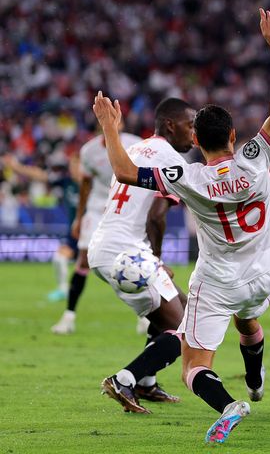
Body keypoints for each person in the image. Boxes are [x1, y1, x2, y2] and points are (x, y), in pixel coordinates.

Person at [92, 8, 270, 444]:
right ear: (234, 136)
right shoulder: (256, 160)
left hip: (217, 281)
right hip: (261, 275)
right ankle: (255, 381)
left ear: (196, 141)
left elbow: (125, 171)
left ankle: (230, 405)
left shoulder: (188, 177)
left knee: (193, 366)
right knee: (249, 324)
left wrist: (110, 127)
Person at [89, 97, 196, 413]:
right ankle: (125, 379)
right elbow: (156, 216)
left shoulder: (135, 149)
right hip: (128, 254)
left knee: (186, 308)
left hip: (107, 244)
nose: (194, 134)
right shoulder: (172, 161)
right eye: (190, 126)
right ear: (170, 125)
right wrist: (157, 258)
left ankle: (147, 382)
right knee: (185, 329)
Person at [50, 126, 143, 334]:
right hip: (96, 208)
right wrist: (79, 217)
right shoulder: (89, 151)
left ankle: (144, 316)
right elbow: (85, 185)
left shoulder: (136, 144)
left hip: (125, 207)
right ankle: (69, 317)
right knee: (83, 260)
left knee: (134, 259)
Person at [3, 153, 80, 302]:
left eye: (76, 165)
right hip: (74, 233)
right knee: (59, 258)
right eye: (72, 166)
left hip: (93, 232)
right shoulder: (66, 182)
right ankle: (63, 290)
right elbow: (41, 175)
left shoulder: (94, 183)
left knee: (100, 267)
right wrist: (17, 167)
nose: (73, 169)